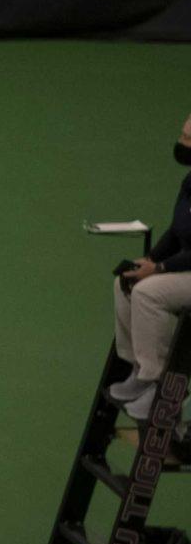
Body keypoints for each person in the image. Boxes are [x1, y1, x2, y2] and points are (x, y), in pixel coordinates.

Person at [108, 112, 191, 421]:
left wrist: (159, 270)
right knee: (126, 283)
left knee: (147, 292)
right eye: (182, 134)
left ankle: (159, 382)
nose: (181, 143)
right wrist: (152, 259)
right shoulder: (190, 180)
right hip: (183, 267)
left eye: (188, 139)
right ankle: (138, 371)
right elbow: (176, 230)